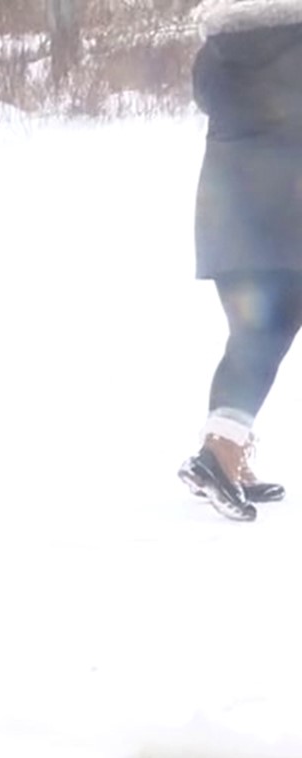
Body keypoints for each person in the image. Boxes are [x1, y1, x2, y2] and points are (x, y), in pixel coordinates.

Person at [179, 0, 302, 521]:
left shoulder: (214, 56)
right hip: (286, 217)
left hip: (227, 218)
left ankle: (226, 451)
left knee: (253, 340)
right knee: (261, 341)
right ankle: (220, 454)